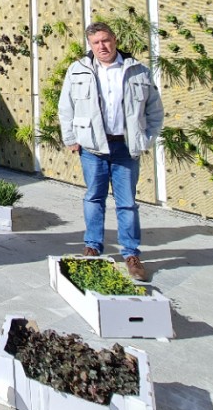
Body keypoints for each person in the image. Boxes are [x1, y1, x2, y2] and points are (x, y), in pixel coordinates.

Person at [58, 21, 164, 281]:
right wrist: (71, 138)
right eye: (96, 43)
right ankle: (93, 246)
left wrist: (145, 139)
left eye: (105, 40)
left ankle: (131, 254)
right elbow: (66, 107)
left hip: (125, 148)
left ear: (114, 40)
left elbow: (155, 110)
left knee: (127, 204)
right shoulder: (78, 70)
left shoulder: (137, 71)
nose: (102, 46)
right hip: (93, 147)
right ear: (90, 45)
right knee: (94, 198)